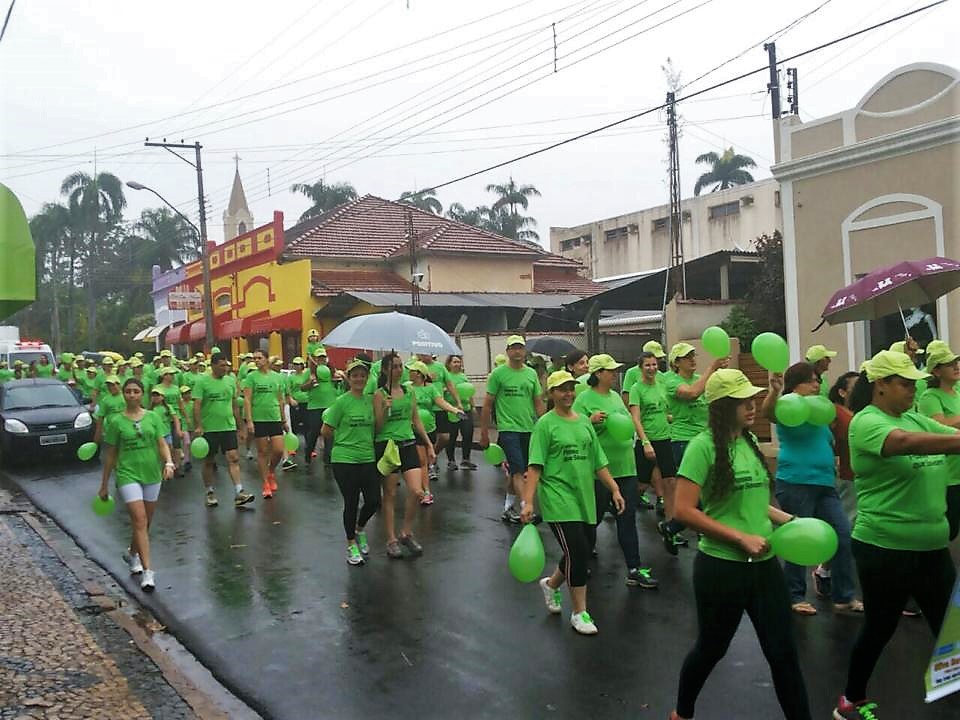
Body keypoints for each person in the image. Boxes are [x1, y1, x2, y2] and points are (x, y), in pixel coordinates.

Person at [670, 369, 811, 720]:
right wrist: (740, 537)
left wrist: (789, 522)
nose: (752, 407)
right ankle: (682, 713)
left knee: (783, 654)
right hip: (721, 567)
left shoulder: (748, 443)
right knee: (711, 649)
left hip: (764, 567)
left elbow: (751, 499)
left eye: (752, 399)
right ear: (721, 407)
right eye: (742, 401)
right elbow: (683, 509)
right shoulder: (701, 447)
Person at [833, 350, 959, 720]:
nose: (912, 390)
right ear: (881, 386)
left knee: (949, 628)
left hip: (932, 546)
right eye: (904, 384)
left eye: (915, 384)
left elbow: (950, 432)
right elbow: (905, 443)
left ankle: (952, 691)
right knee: (880, 627)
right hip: (885, 546)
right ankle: (849, 701)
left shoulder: (913, 416)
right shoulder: (866, 422)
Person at [521, 370, 625, 635]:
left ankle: (552, 584)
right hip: (558, 497)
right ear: (551, 394)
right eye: (561, 389)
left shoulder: (584, 423)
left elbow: (598, 460)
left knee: (582, 547)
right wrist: (528, 502)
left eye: (570, 388)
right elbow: (535, 466)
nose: (567, 393)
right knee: (579, 552)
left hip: (584, 496)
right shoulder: (545, 424)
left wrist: (614, 488)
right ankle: (580, 612)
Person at [762, 362, 861, 616]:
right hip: (796, 482)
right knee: (800, 539)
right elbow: (769, 414)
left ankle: (844, 596)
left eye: (818, 380)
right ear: (797, 384)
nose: (817, 385)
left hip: (825, 483)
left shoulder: (820, 412)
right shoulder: (788, 406)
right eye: (811, 380)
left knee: (842, 535)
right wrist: (774, 391)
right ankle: (794, 596)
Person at [573, 354, 658, 589]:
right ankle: (580, 559)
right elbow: (575, 429)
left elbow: (627, 423)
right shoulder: (584, 399)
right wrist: (590, 420)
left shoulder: (615, 397)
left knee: (627, 518)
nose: (614, 374)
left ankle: (633, 568)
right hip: (600, 471)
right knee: (594, 518)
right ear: (598, 373)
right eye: (610, 371)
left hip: (626, 468)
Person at [98, 378, 174, 592]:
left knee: (145, 523)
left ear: (143, 394)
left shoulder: (153, 417)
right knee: (139, 520)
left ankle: (132, 553)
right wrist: (104, 484)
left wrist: (168, 462)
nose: (132, 395)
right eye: (128, 391)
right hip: (127, 474)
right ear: (123, 394)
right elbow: (111, 454)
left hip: (152, 474)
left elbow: (162, 443)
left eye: (136, 391)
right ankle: (148, 572)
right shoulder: (116, 422)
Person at [658, 343, 726, 553]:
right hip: (683, 440)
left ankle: (673, 527)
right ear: (676, 363)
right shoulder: (670, 380)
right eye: (687, 357)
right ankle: (700, 529)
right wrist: (711, 369)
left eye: (693, 356)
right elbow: (692, 394)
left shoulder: (700, 379)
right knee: (695, 493)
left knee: (710, 489)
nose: (692, 360)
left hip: (705, 439)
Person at [374, 353, 434, 558]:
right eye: (394, 367)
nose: (398, 370)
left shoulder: (409, 391)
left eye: (400, 366)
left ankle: (406, 532)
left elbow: (416, 420)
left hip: (408, 443)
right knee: (389, 495)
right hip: (388, 446)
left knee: (417, 492)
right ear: (384, 370)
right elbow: (377, 426)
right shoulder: (380, 394)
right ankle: (391, 539)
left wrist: (428, 444)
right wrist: (384, 409)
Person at [480, 335, 545, 523]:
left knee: (521, 469)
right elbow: (487, 405)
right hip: (508, 429)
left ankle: (508, 508)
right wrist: (484, 433)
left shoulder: (531, 374)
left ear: (525, 351)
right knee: (519, 471)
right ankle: (526, 508)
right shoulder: (498, 374)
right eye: (513, 348)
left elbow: (538, 402)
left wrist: (546, 423)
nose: (517, 351)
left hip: (528, 428)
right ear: (507, 351)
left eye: (520, 348)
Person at [322, 359, 381, 566]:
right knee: (352, 502)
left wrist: (386, 407)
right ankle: (350, 545)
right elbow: (326, 430)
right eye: (355, 375)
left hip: (367, 457)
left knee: (374, 500)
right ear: (348, 378)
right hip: (344, 459)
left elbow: (378, 426)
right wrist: (344, 439)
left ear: (366, 378)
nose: (359, 379)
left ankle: (360, 528)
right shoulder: (341, 402)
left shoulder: (370, 400)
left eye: (362, 375)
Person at [192, 352, 254, 508]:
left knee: (233, 458)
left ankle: (239, 492)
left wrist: (241, 427)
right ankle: (210, 492)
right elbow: (197, 405)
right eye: (221, 366)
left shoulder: (230, 381)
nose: (225, 368)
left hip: (228, 426)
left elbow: (234, 405)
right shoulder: (202, 382)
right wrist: (198, 425)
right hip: (209, 429)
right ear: (212, 366)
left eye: (227, 365)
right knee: (209, 461)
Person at [916, 341, 960, 540]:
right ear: (936, 371)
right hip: (950, 475)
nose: (956, 366)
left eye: (956, 362)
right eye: (949, 364)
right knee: (950, 529)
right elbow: (940, 427)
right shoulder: (929, 396)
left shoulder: (958, 391)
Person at [407, 360, 464, 505]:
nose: (409, 373)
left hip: (429, 427)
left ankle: (422, 488)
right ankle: (425, 491)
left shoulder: (431, 388)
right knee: (421, 460)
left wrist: (455, 410)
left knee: (424, 461)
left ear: (419, 374)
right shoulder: (407, 388)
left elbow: (440, 402)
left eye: (412, 370)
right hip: (412, 429)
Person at [629, 351, 675, 524]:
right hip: (647, 440)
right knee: (642, 484)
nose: (652, 368)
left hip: (665, 438)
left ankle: (670, 524)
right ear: (640, 368)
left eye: (654, 364)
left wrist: (671, 418)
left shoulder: (662, 385)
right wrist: (645, 442)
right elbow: (635, 418)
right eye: (647, 365)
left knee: (670, 481)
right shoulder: (636, 389)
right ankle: (623, 506)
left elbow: (666, 410)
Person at [243, 350, 288, 499]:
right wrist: (249, 421)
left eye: (259, 358)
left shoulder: (278, 377)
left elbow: (281, 399)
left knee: (278, 450)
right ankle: (265, 483)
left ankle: (271, 472)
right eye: (255, 358)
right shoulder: (251, 377)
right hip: (259, 418)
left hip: (274, 417)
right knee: (262, 452)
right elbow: (247, 400)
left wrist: (284, 420)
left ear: (267, 359)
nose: (256, 361)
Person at [414, 353, 463, 481]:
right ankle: (427, 467)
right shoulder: (414, 368)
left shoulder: (440, 367)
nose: (426, 355)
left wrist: (457, 403)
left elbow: (449, 384)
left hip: (439, 407)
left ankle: (432, 457)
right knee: (423, 442)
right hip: (421, 412)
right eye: (423, 353)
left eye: (428, 353)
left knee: (445, 437)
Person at [303, 347, 339, 467]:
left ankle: (328, 459)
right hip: (315, 406)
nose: (322, 360)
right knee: (314, 432)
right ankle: (308, 454)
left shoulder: (331, 370)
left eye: (323, 357)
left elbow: (338, 383)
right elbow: (302, 387)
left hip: (330, 405)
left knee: (329, 433)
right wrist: (310, 384)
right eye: (319, 358)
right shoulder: (310, 372)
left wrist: (338, 380)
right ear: (316, 359)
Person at [442, 355, 477, 470]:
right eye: (454, 362)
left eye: (458, 362)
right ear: (449, 364)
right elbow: (440, 392)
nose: (457, 364)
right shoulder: (446, 376)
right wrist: (446, 390)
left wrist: (473, 406)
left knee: (467, 434)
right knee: (452, 436)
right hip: (452, 410)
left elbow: (469, 391)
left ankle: (466, 459)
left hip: (465, 409)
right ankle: (451, 461)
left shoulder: (463, 376)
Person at [286, 356, 310, 465]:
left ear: (302, 365)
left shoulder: (306, 375)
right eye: (295, 364)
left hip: (307, 402)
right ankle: (293, 447)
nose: (297, 366)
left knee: (307, 425)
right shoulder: (291, 377)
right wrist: (291, 399)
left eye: (299, 364)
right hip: (295, 402)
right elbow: (288, 390)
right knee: (294, 424)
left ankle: (310, 447)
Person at [93, 375, 125, 444]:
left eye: (113, 385)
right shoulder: (105, 400)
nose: (111, 388)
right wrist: (97, 435)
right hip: (111, 431)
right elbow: (100, 418)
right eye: (109, 386)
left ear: (119, 385)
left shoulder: (126, 397)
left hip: (125, 430)